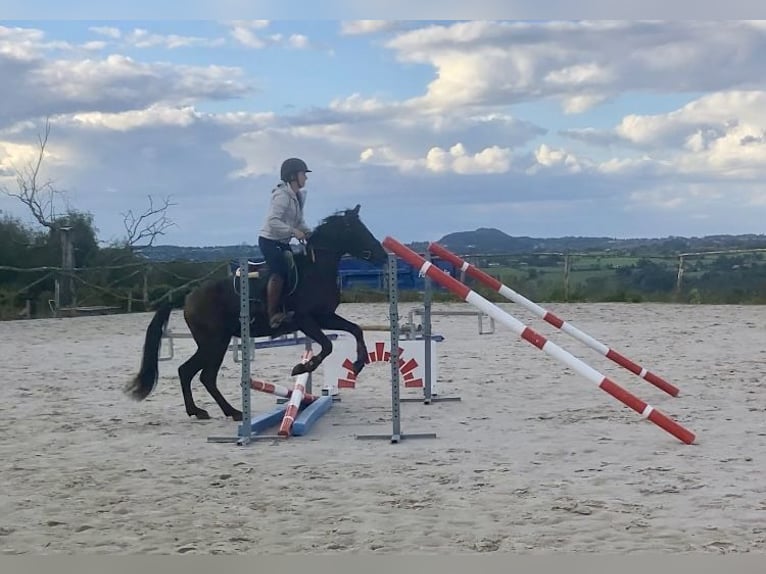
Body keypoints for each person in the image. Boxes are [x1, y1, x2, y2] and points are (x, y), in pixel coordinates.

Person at [258, 157, 313, 329]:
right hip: (269, 241)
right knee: (279, 271)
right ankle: (272, 313)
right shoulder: (282, 196)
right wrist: (293, 232)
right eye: (303, 174)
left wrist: (309, 232)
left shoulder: (297, 196)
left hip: (282, 242)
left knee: (295, 270)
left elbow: (299, 221)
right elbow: (273, 221)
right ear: (292, 176)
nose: (306, 178)